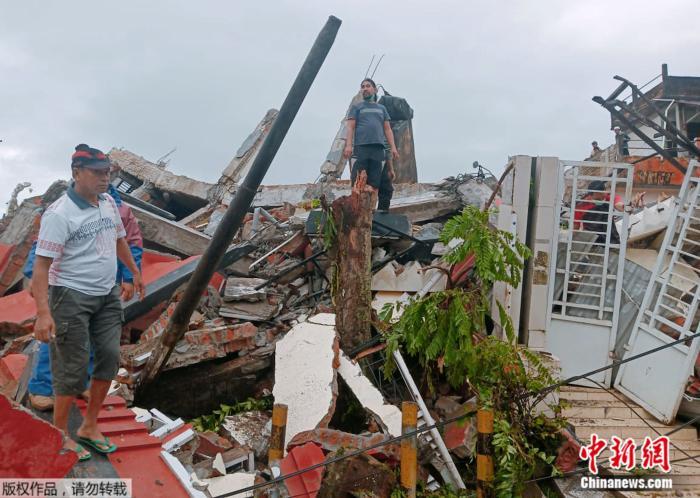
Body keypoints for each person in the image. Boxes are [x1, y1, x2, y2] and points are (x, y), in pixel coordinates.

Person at [32, 144, 144, 461]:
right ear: (77, 173)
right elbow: (40, 267)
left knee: (108, 356)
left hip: (106, 294)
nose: (104, 178)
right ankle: (60, 435)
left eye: (107, 172)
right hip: (70, 296)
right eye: (97, 172)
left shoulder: (108, 203)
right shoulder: (59, 214)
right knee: (72, 367)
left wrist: (134, 272)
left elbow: (120, 239)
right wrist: (43, 312)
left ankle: (89, 426)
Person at [343, 78, 399, 199]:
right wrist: (348, 146)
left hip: (378, 148)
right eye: (362, 87)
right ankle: (356, 205)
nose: (365, 89)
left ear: (374, 89)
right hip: (361, 147)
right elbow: (350, 127)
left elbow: (387, 129)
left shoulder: (382, 109)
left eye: (368, 86)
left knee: (375, 181)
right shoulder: (357, 108)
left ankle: (372, 209)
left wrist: (393, 148)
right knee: (358, 180)